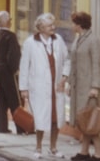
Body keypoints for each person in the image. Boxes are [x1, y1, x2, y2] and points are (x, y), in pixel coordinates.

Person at [19, 12, 70, 159]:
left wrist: (64, 77)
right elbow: (24, 67)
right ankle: (38, 148)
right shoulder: (30, 43)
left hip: (56, 88)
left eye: (53, 25)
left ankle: (53, 148)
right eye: (49, 26)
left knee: (56, 119)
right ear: (41, 28)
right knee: (40, 119)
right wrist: (24, 89)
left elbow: (67, 60)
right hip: (39, 87)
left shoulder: (58, 40)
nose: (53, 28)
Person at [68, 11, 100, 161]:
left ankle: (99, 154)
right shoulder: (79, 39)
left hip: (89, 89)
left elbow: (97, 64)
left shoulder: (93, 40)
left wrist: (95, 87)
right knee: (84, 121)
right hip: (79, 88)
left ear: (79, 25)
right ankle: (84, 152)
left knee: (91, 122)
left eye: (73, 23)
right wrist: (70, 83)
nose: (72, 26)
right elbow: (73, 63)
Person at [0, 10, 26, 135]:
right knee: (14, 98)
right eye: (10, 19)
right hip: (7, 71)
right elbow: (13, 56)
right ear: (6, 21)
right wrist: (15, 69)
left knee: (1, 98)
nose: (11, 21)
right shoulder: (10, 36)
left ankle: (3, 127)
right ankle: (21, 127)